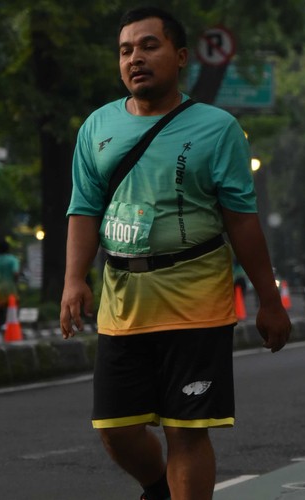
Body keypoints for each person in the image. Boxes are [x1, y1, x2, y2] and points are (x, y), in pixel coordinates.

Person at [60, 6, 291, 500]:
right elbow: (84, 210)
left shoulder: (217, 128)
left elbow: (242, 221)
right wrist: (73, 280)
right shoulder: (97, 127)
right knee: (115, 429)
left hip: (196, 302)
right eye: (126, 50)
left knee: (186, 430)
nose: (135, 59)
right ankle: (158, 488)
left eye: (149, 46)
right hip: (123, 303)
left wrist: (269, 301)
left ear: (181, 56)